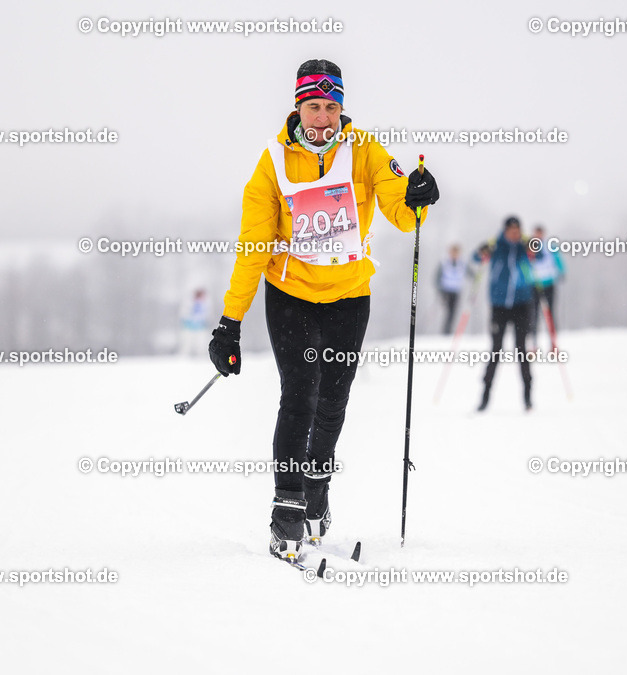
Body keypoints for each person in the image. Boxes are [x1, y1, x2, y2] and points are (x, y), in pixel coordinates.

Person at [207, 59, 439, 562]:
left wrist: (419, 195)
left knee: (334, 400)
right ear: (298, 107)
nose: (323, 118)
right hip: (290, 295)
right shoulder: (272, 161)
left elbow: (401, 210)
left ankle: (317, 483)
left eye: (332, 106)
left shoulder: (364, 150)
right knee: (299, 395)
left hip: (349, 296)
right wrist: (230, 322)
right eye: (314, 106)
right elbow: (253, 244)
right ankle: (287, 507)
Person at [474, 216, 534, 412]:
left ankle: (527, 395)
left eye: (518, 231)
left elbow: (539, 255)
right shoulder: (497, 246)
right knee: (496, 350)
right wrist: (482, 251)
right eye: (512, 231)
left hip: (521, 304)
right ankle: (485, 395)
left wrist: (532, 248)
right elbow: (477, 257)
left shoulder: (524, 246)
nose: (515, 234)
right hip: (499, 305)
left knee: (521, 349)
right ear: (506, 231)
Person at [527, 225, 565, 348]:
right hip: (533, 285)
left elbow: (558, 260)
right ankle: (533, 344)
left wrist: (561, 272)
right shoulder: (528, 247)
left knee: (550, 314)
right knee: (533, 315)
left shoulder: (550, 246)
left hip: (548, 284)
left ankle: (553, 343)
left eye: (540, 233)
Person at [435, 244, 466, 334]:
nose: (455, 254)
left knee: (453, 312)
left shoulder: (462, 263)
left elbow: (469, 272)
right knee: (449, 311)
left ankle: (448, 330)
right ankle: (446, 331)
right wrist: (439, 290)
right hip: (446, 291)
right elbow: (437, 277)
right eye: (453, 252)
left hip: (456, 291)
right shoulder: (444, 263)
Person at [178, 288, 208, 356]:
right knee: (187, 343)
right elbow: (184, 313)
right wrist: (187, 321)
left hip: (200, 326)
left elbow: (206, 315)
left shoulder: (205, 304)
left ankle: (201, 356)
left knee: (201, 343)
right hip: (189, 326)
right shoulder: (189, 303)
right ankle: (184, 357)